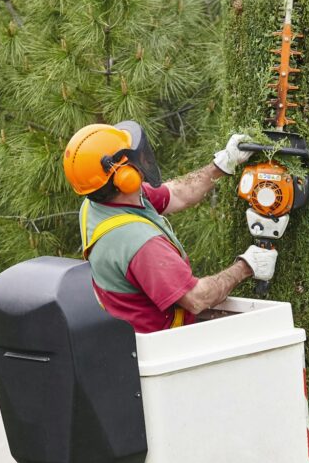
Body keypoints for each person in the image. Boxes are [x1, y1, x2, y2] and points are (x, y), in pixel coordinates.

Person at [63, 121, 277, 333]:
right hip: (163, 349)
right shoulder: (140, 244)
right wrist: (247, 266)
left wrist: (222, 164)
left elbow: (178, 193)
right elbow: (197, 298)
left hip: (129, 341)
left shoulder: (97, 205)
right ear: (124, 178)